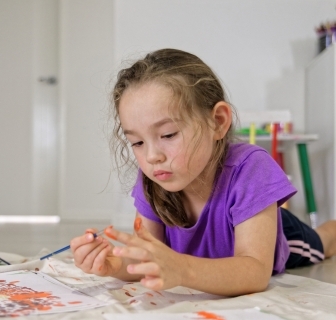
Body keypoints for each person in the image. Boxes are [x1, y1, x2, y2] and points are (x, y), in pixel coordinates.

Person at [70, 48, 336, 297]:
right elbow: (147, 258)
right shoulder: (154, 179)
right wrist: (114, 264)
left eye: (168, 134)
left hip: (278, 230)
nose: (152, 156)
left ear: (217, 122)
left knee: (323, 244)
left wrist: (183, 270)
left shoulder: (252, 168)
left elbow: (255, 272)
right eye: (137, 143)